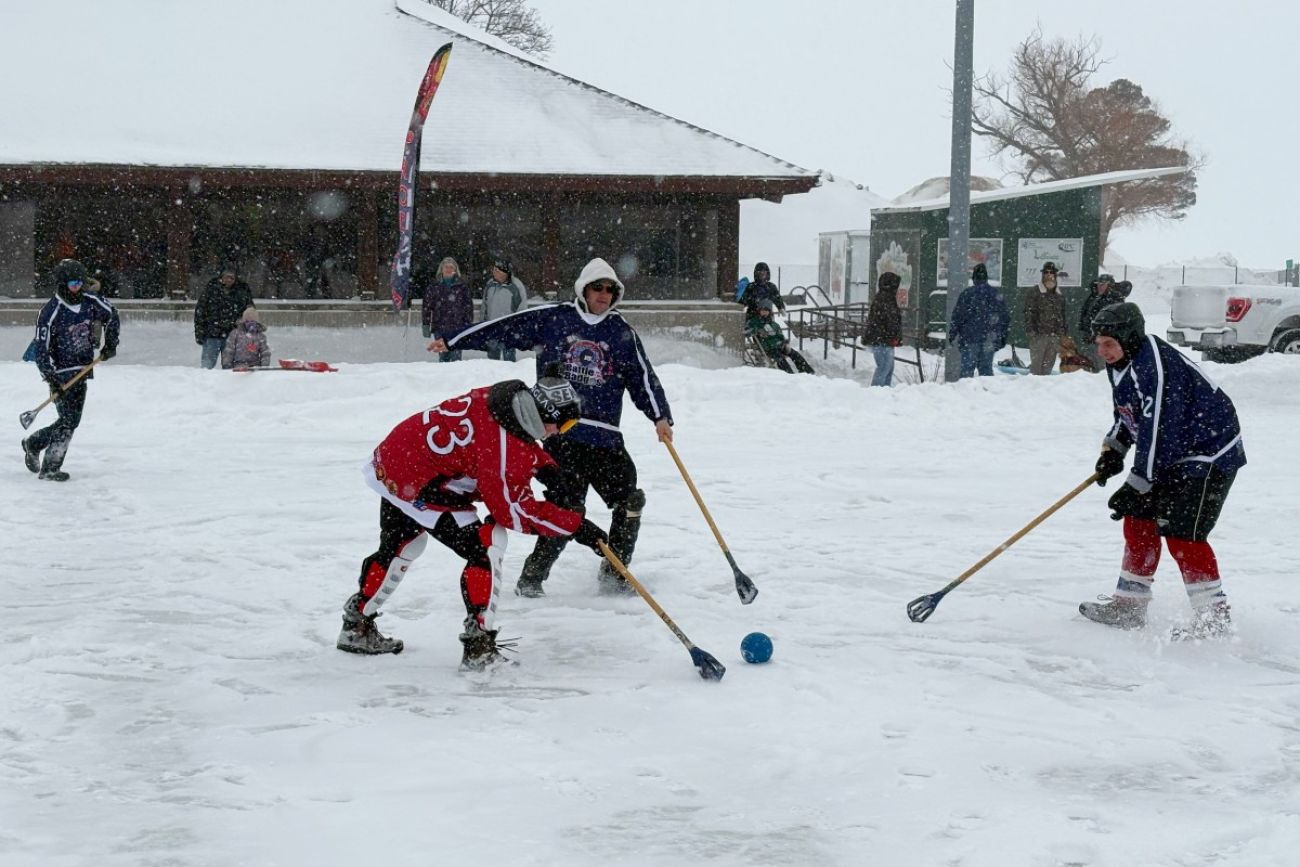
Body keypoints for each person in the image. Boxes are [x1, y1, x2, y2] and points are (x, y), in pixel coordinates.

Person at [427, 257, 673, 597]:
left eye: (610, 289)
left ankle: (615, 572)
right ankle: (532, 578)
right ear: (583, 289)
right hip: (561, 434)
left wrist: (660, 416)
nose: (603, 294)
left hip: (605, 436)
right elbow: (502, 328)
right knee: (565, 510)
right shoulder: (553, 318)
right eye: (597, 287)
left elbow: (642, 377)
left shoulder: (621, 333)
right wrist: (453, 339)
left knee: (630, 501)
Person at [336, 376, 610, 669]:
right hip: (420, 481)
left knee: (403, 544)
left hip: (395, 459)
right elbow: (515, 512)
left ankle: (356, 626)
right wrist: (576, 526)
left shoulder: (503, 400)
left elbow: (514, 437)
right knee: (487, 545)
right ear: (544, 415)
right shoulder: (504, 449)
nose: (560, 433)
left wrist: (548, 470)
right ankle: (479, 646)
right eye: (564, 425)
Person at [1080, 302, 1245, 640]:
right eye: (1098, 344)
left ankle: (1213, 619)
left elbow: (1158, 430)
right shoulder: (1122, 363)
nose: (1102, 351)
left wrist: (1136, 481)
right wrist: (1114, 449)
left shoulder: (1156, 366)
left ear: (1129, 339)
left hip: (1210, 453)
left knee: (1184, 533)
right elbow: (1130, 414)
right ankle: (1129, 604)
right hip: (1174, 452)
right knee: (1139, 517)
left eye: (1108, 344)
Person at [22, 259, 121, 482]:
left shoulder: (91, 301)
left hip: (83, 369)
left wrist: (111, 344)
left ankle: (34, 443)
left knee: (71, 420)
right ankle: (50, 467)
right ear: (61, 284)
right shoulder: (50, 312)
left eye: (80, 283)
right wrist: (50, 377)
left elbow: (113, 315)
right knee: (68, 421)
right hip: (60, 373)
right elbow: (40, 349)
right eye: (73, 284)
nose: (77, 288)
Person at [949, 263, 1010, 378]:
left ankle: (965, 393)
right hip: (989, 338)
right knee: (986, 371)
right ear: (986, 278)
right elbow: (1004, 318)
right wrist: (1002, 337)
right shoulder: (996, 294)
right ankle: (985, 393)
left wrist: (953, 334)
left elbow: (957, 316)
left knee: (967, 371)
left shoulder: (966, 294)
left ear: (974, 278)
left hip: (969, 338)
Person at [194, 264, 254, 369]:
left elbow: (250, 312)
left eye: (232, 277)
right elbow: (200, 312)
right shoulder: (211, 290)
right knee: (206, 368)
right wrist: (199, 331)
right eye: (227, 276)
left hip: (232, 335)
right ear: (221, 277)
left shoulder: (242, 292)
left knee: (230, 369)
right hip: (212, 334)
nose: (229, 279)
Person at [420, 256, 473, 362]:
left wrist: (468, 325)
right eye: (446, 267)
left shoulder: (462, 287)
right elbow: (426, 307)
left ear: (455, 270)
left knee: (456, 359)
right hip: (440, 328)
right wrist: (425, 324)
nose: (449, 269)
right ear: (441, 269)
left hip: (458, 328)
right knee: (443, 357)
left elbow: (468, 307)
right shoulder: (434, 287)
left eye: (451, 267)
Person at [1076, 274, 1131, 371]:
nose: (1100, 286)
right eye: (1098, 284)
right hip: (1089, 339)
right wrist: (1083, 330)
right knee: (1088, 366)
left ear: (1109, 286)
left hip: (1103, 340)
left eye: (1103, 284)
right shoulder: (1094, 296)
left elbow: (1114, 323)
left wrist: (1097, 335)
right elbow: (1085, 313)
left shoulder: (1115, 300)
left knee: (1101, 368)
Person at [746, 299, 815, 374]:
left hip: (779, 345)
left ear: (769, 311)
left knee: (794, 354)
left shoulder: (773, 324)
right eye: (762, 310)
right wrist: (756, 330)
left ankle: (808, 371)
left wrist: (784, 342)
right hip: (767, 348)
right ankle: (789, 374)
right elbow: (747, 331)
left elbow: (780, 335)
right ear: (759, 311)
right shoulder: (754, 322)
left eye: (766, 310)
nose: (764, 312)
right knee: (780, 358)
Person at [1023, 261, 1067, 375]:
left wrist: (1061, 334)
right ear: (1042, 275)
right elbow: (1028, 313)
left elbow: (1062, 315)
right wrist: (1032, 332)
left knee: (1048, 369)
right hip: (1039, 337)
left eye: (1051, 272)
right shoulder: (1035, 292)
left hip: (1054, 338)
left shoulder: (1059, 295)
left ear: (1055, 275)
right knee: (1036, 369)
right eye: (1046, 272)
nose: (1049, 275)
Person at [861, 271, 903, 387]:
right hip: (883, 339)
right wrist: (893, 336)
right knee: (884, 367)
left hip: (882, 338)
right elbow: (890, 321)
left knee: (887, 368)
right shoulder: (886, 299)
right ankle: (877, 392)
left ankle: (883, 392)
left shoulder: (883, 298)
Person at [481, 258, 527, 361]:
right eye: (493, 269)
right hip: (492, 329)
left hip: (509, 331)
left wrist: (518, 327)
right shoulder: (490, 284)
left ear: (505, 271)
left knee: (509, 361)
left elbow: (522, 308)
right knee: (492, 361)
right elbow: (484, 306)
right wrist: (483, 325)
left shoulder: (516, 286)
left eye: (497, 270)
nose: (494, 272)